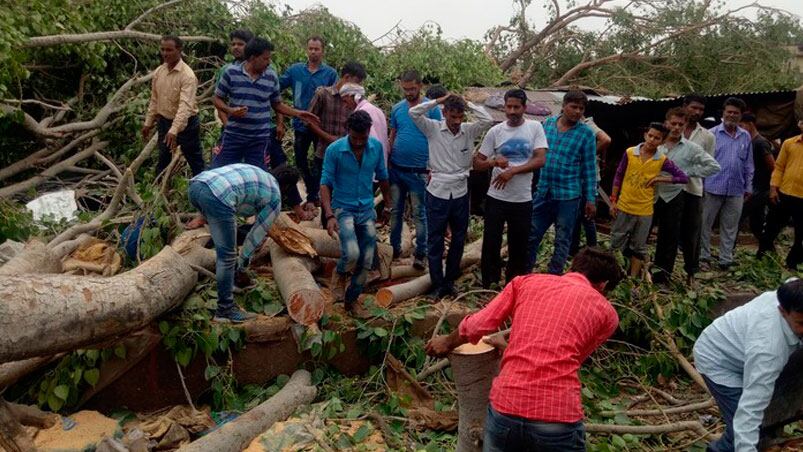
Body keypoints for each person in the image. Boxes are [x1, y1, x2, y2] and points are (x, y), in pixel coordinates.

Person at [425, 247, 624, 451]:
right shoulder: (607, 315)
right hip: (557, 417)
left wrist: (447, 342)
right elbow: (570, 358)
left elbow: (478, 325)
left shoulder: (526, 282)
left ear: (572, 267)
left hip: (506, 409)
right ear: (604, 284)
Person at [693, 278, 803, 452]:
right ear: (782, 311)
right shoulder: (768, 350)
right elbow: (749, 413)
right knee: (740, 431)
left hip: (746, 345)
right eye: (801, 324)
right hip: (718, 360)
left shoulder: (792, 290)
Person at [409, 93, 493, 298]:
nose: (456, 121)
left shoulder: (468, 130)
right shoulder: (433, 128)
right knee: (435, 239)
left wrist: (469, 104)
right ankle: (437, 283)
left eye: (460, 117)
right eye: (452, 116)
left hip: (461, 192)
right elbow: (413, 112)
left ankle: (450, 281)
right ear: (444, 113)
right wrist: (439, 100)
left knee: (458, 238)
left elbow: (488, 119)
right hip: (437, 191)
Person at [188, 164, 294, 322]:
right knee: (228, 256)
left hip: (196, 186)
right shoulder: (275, 197)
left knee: (224, 243)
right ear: (287, 187)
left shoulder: (259, 173)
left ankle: (228, 283)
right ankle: (225, 310)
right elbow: (254, 238)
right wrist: (242, 268)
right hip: (218, 196)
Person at [474, 88, 548, 288]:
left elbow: (540, 159)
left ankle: (513, 285)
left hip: (522, 199)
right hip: (496, 198)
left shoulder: (535, 128)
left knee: (519, 245)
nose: (512, 111)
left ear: (524, 108)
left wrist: (513, 171)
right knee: (491, 243)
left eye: (517, 107)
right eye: (509, 107)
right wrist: (493, 162)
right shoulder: (495, 131)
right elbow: (477, 163)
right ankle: (489, 283)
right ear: (504, 107)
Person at [320, 111, 392, 311]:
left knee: (367, 257)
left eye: (363, 137)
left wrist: (388, 204)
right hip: (344, 209)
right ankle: (340, 272)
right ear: (348, 131)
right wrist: (329, 215)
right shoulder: (334, 150)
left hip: (367, 209)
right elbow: (325, 183)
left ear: (369, 132)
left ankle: (351, 300)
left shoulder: (376, 147)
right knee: (351, 253)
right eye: (355, 137)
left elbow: (383, 176)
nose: (359, 142)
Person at [212, 37, 319, 171]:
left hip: (259, 139)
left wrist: (298, 114)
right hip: (234, 136)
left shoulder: (271, 77)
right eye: (265, 59)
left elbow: (277, 104)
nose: (269, 63)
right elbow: (216, 99)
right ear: (252, 58)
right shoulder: (231, 73)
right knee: (220, 172)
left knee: (257, 176)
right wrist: (230, 110)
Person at [527, 90, 597, 275]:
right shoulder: (547, 125)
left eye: (581, 108)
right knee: (532, 234)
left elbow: (589, 169)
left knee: (563, 239)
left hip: (568, 196)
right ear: (564, 106)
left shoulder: (586, 134)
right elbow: (534, 154)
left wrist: (591, 199)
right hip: (544, 191)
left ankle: (554, 276)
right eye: (573, 107)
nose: (577, 112)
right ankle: (525, 274)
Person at [610, 122, 688, 277]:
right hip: (624, 205)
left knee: (638, 246)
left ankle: (633, 279)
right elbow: (619, 175)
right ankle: (613, 275)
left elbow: (683, 177)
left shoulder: (662, 160)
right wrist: (613, 200)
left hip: (645, 210)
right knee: (616, 242)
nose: (652, 140)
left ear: (662, 142)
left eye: (657, 138)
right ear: (645, 135)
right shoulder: (630, 152)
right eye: (650, 136)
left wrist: (660, 179)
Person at [653, 108, 721, 285]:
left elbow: (713, 166)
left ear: (685, 126)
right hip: (654, 195)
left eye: (680, 125)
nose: (676, 128)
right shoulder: (656, 144)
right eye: (673, 124)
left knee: (676, 237)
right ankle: (649, 272)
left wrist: (686, 173)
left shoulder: (691, 148)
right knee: (653, 235)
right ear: (667, 123)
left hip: (678, 195)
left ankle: (672, 275)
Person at [388, 70, 443, 269]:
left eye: (412, 88)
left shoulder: (432, 109)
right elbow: (392, 134)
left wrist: (434, 166)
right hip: (396, 168)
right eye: (405, 89)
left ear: (420, 86)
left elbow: (438, 137)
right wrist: (387, 158)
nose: (408, 92)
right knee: (395, 211)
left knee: (420, 213)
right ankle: (393, 248)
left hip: (420, 171)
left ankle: (421, 253)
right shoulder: (397, 109)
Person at [279, 36, 339, 206]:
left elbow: (336, 97)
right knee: (300, 160)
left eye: (316, 49)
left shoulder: (330, 73)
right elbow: (276, 88)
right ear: (307, 49)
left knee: (319, 161)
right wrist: (281, 118)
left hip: (321, 126)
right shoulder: (295, 70)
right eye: (310, 48)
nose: (313, 52)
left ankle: (314, 196)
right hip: (300, 124)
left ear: (322, 51)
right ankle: (313, 192)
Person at [701, 97, 754, 270]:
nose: (732, 115)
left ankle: (725, 259)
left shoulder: (745, 136)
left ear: (741, 116)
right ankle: (704, 257)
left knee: (730, 226)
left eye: (736, 113)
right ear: (723, 113)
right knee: (705, 223)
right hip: (712, 186)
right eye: (729, 112)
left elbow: (748, 163)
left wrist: (748, 186)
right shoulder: (712, 134)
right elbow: (704, 161)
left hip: (736, 189)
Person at [142, 35, 204, 176]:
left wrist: (174, 130)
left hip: (187, 126)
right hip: (164, 122)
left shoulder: (187, 76)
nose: (165, 53)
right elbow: (154, 99)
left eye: (169, 50)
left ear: (179, 50)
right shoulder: (159, 71)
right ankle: (159, 193)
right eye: (162, 49)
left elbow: (185, 107)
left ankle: (203, 189)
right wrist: (148, 122)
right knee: (163, 159)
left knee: (195, 161)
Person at [308, 61, 367, 206]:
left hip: (348, 154)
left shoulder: (357, 99)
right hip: (324, 152)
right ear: (346, 77)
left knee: (343, 194)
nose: (359, 86)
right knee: (325, 192)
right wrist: (328, 137)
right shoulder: (323, 94)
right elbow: (309, 121)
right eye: (357, 82)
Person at [758, 119, 803, 270]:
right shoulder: (789, 143)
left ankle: (792, 264)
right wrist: (773, 188)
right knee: (771, 228)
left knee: (800, 236)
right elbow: (779, 167)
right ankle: (762, 257)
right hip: (783, 193)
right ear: (800, 124)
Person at [570, 116, 611, 255]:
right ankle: (573, 249)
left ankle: (593, 250)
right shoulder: (570, 126)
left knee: (587, 216)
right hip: (575, 178)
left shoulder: (587, 124)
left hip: (589, 177)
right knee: (575, 216)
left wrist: (588, 155)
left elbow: (606, 139)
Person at [739, 113, 776, 242]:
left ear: (750, 125)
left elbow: (773, 167)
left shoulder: (760, 143)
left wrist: (773, 188)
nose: (740, 128)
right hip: (753, 187)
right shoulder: (748, 141)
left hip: (759, 189)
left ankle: (728, 253)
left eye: (741, 125)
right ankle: (767, 250)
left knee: (738, 217)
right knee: (756, 224)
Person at [339, 83, 389, 167]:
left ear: (352, 96)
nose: (345, 106)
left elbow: (370, 142)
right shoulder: (377, 110)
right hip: (381, 164)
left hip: (369, 168)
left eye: (345, 101)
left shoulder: (362, 114)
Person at [213, 29, 254, 125]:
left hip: (261, 129)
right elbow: (218, 99)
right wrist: (227, 125)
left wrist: (279, 123)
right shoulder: (226, 70)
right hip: (234, 127)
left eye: (240, 44)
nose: (235, 47)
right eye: (233, 44)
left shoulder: (265, 68)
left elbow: (276, 100)